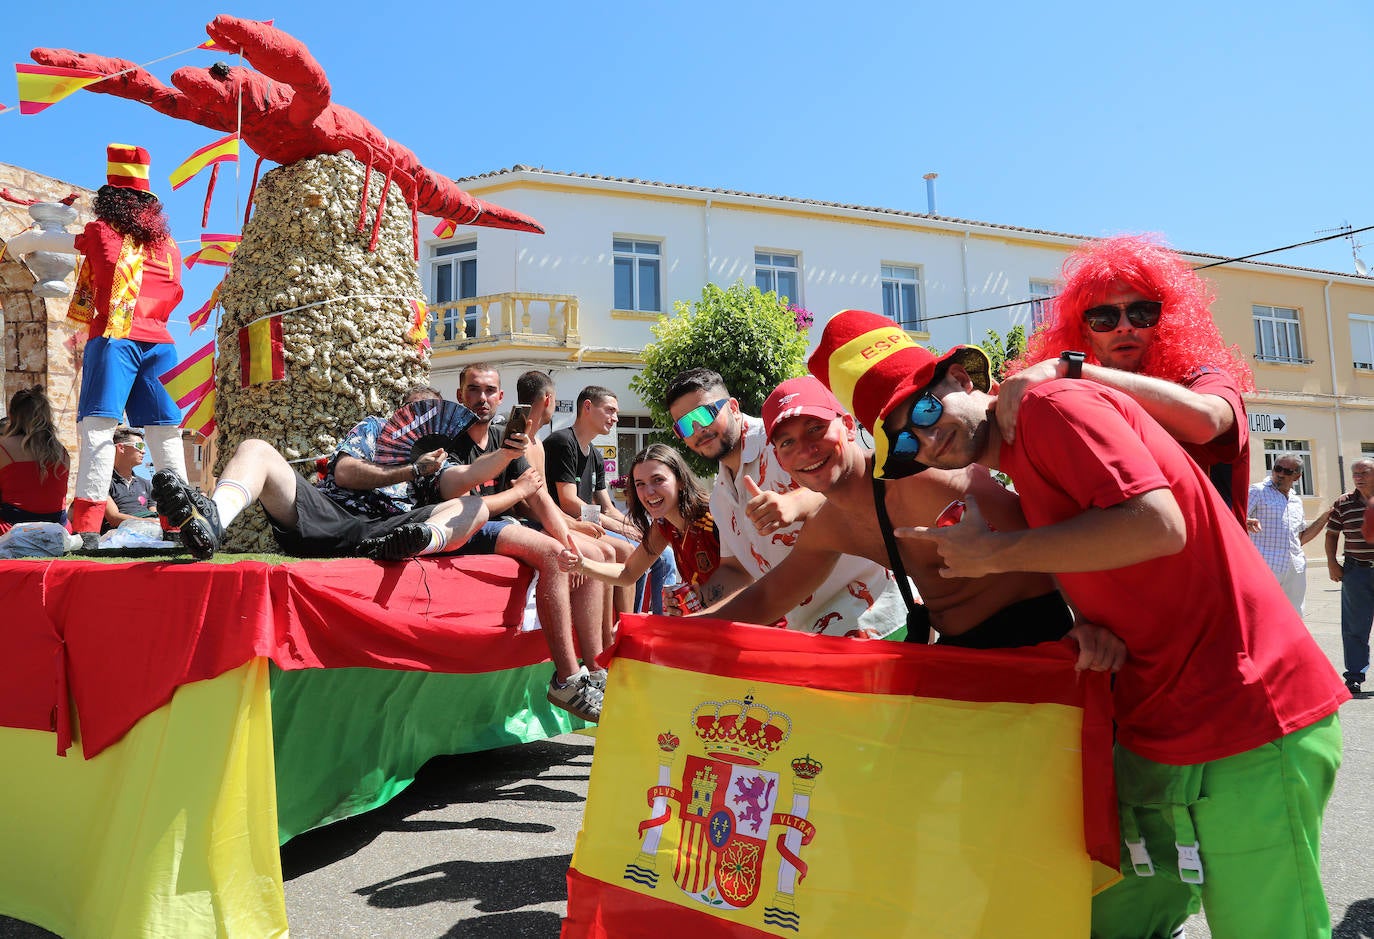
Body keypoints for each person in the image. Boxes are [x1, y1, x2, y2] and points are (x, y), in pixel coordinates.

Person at [856, 308, 1347, 939]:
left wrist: (996, 556)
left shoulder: (1051, 406)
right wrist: (1087, 625)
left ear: (962, 377)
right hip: (1159, 728)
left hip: (1249, 719)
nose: (923, 442)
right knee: (1098, 925)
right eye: (903, 444)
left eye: (923, 413)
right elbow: (1097, 559)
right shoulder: (1024, 464)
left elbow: (1157, 525)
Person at [701, 366, 1077, 647]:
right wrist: (663, 631)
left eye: (816, 429)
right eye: (786, 443)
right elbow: (767, 598)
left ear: (847, 426)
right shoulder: (831, 524)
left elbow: (1051, 532)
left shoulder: (923, 478)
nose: (805, 449)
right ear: (780, 461)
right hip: (960, 651)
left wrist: (1088, 626)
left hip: (1041, 637)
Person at [1000, 234, 1254, 524]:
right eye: (1103, 318)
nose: (1123, 327)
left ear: (1168, 318)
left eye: (1141, 313)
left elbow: (1206, 419)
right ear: (1085, 332)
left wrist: (1070, 368)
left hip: (1213, 567)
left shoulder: (1203, 379)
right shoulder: (1083, 401)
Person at [666, 368, 902, 638]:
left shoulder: (779, 437)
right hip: (813, 635)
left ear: (732, 407)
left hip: (875, 616)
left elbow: (850, 475)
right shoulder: (720, 495)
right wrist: (701, 597)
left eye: (704, 414)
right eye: (685, 425)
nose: (698, 429)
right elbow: (738, 570)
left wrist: (795, 502)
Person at [435, 367, 612, 722]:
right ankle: (567, 678)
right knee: (556, 553)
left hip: (502, 521)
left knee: (589, 556)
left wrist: (571, 541)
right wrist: (561, 528)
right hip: (462, 524)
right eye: (473, 390)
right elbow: (461, 498)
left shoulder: (509, 438)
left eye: (489, 391)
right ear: (460, 395)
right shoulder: (447, 440)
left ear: (501, 398)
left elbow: (540, 498)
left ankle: (597, 671)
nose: (481, 399)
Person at [151, 386, 488, 561]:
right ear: (399, 414)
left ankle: (420, 542)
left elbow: (464, 478)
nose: (420, 422)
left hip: (389, 533)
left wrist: (508, 454)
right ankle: (212, 521)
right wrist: (412, 471)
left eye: (428, 415)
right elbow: (344, 474)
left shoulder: (441, 454)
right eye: (414, 413)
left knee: (477, 507)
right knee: (255, 448)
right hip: (329, 516)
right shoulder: (373, 429)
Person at [57, 144, 189, 547]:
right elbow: (178, 291)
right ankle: (180, 524)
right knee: (166, 436)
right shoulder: (168, 245)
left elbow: (72, 247)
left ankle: (88, 528)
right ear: (148, 205)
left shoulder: (100, 231)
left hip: (116, 340)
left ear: (110, 201)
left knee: (97, 431)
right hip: (162, 344)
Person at [564, 443, 746, 615]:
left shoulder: (716, 517)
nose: (648, 492)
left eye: (658, 480)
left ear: (680, 481)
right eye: (640, 484)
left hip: (747, 622)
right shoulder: (663, 524)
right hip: (712, 622)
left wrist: (699, 600)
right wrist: (582, 565)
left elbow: (749, 576)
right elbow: (628, 573)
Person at [544, 385, 676, 616]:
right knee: (635, 553)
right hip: (568, 524)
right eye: (609, 410)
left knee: (664, 554)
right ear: (587, 407)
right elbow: (568, 502)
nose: (615, 418)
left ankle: (661, 620)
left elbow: (607, 506)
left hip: (593, 525)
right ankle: (628, 621)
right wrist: (614, 525)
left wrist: (633, 527)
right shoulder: (563, 442)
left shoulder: (595, 454)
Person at [1246, 454, 1329, 614]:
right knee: (1262, 615)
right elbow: (1233, 518)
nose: (1281, 474)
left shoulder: (1296, 501)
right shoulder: (1257, 491)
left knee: (1293, 617)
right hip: (1265, 566)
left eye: (1287, 471)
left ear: (1297, 476)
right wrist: (1245, 520)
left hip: (1294, 568)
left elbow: (1300, 539)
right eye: (1278, 469)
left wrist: (1324, 518)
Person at [1325, 458, 1374, 696]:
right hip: (1356, 571)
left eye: (1363, 472)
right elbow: (1332, 534)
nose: (1358, 477)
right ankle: (1354, 677)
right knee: (1355, 628)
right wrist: (1332, 562)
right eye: (1355, 473)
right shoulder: (1343, 502)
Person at [0, 386, 71, 534]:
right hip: (58, 529)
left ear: (12, 415)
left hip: (11, 528)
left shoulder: (4, 447)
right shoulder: (61, 451)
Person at [103, 426, 156, 532]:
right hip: (118, 536)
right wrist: (147, 522)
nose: (144, 451)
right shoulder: (103, 482)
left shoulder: (146, 484)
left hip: (148, 533)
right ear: (121, 448)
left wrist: (153, 522)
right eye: (140, 446)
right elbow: (113, 518)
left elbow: (153, 513)